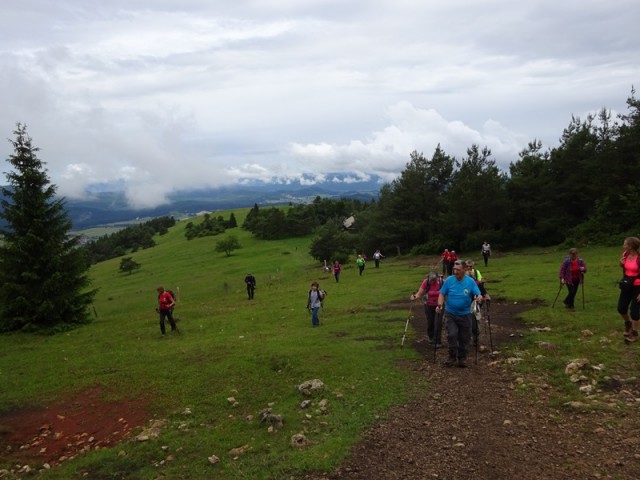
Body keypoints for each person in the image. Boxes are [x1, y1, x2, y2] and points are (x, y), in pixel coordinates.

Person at [436, 260, 482, 368]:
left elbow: (478, 294)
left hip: (466, 314)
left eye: (458, 270)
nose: (455, 272)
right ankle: (452, 356)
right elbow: (442, 294)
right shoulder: (449, 280)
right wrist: (439, 305)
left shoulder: (470, 281)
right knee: (452, 335)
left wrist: (478, 297)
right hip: (451, 313)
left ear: (465, 269)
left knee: (464, 337)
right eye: (454, 269)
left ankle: (462, 358)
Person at [411, 271, 443, 347]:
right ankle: (431, 337)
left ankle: (437, 341)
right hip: (429, 305)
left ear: (437, 279)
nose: (432, 282)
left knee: (438, 322)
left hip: (439, 305)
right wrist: (414, 297)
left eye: (433, 280)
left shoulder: (441, 282)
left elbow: (446, 292)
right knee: (430, 322)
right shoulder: (426, 282)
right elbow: (419, 293)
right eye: (430, 280)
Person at [618, 237, 640, 342]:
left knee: (635, 312)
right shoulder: (625, 254)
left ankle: (634, 333)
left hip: (638, 286)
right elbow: (623, 267)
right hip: (627, 284)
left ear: (630, 246)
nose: (623, 245)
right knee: (621, 308)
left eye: (625, 243)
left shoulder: (639, 258)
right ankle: (628, 324)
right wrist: (621, 263)